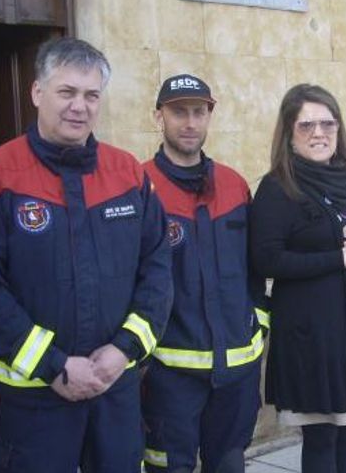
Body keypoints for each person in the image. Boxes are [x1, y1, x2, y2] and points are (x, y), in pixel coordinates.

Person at [0, 37, 172, 472]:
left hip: (116, 394)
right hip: (35, 402)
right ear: (37, 92)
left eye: (91, 95)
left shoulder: (128, 174)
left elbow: (158, 272)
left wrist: (123, 351)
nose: (80, 106)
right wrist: (53, 366)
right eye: (66, 92)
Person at [249, 83, 346, 473]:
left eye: (327, 124)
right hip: (313, 335)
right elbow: (266, 260)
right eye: (306, 125)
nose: (319, 133)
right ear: (289, 133)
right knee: (322, 437)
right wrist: (339, 257)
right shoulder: (278, 188)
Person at [141, 74, 266, 473]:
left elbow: (255, 268)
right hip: (169, 376)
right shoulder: (139, 186)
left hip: (237, 372)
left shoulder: (233, 185)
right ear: (159, 117)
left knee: (229, 463)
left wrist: (258, 327)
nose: (190, 123)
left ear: (210, 115)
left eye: (199, 112)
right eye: (179, 112)